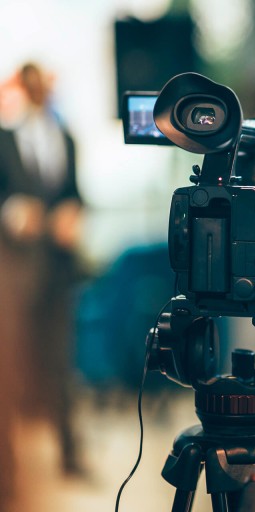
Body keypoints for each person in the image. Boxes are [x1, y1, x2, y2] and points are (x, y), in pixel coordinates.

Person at [0, 62, 83, 504]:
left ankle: (70, 453)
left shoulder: (66, 138)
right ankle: (7, 475)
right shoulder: (4, 138)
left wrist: (74, 211)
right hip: (14, 274)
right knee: (8, 371)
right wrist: (11, 213)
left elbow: (74, 191)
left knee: (60, 361)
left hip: (57, 269)